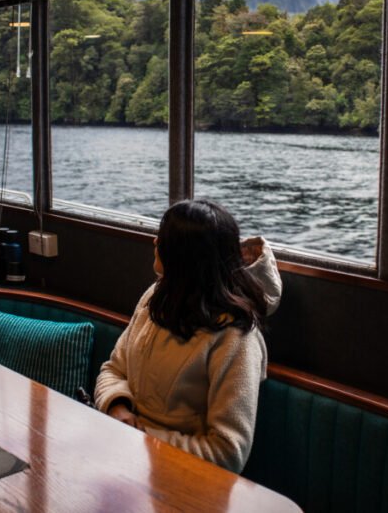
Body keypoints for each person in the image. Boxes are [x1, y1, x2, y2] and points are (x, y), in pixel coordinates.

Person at [94, 199, 282, 473]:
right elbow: (114, 368)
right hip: (124, 461)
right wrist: (118, 408)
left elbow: (228, 451)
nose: (155, 241)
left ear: (185, 256)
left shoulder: (236, 338)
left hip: (184, 478)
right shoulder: (156, 297)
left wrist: (142, 439)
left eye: (165, 238)